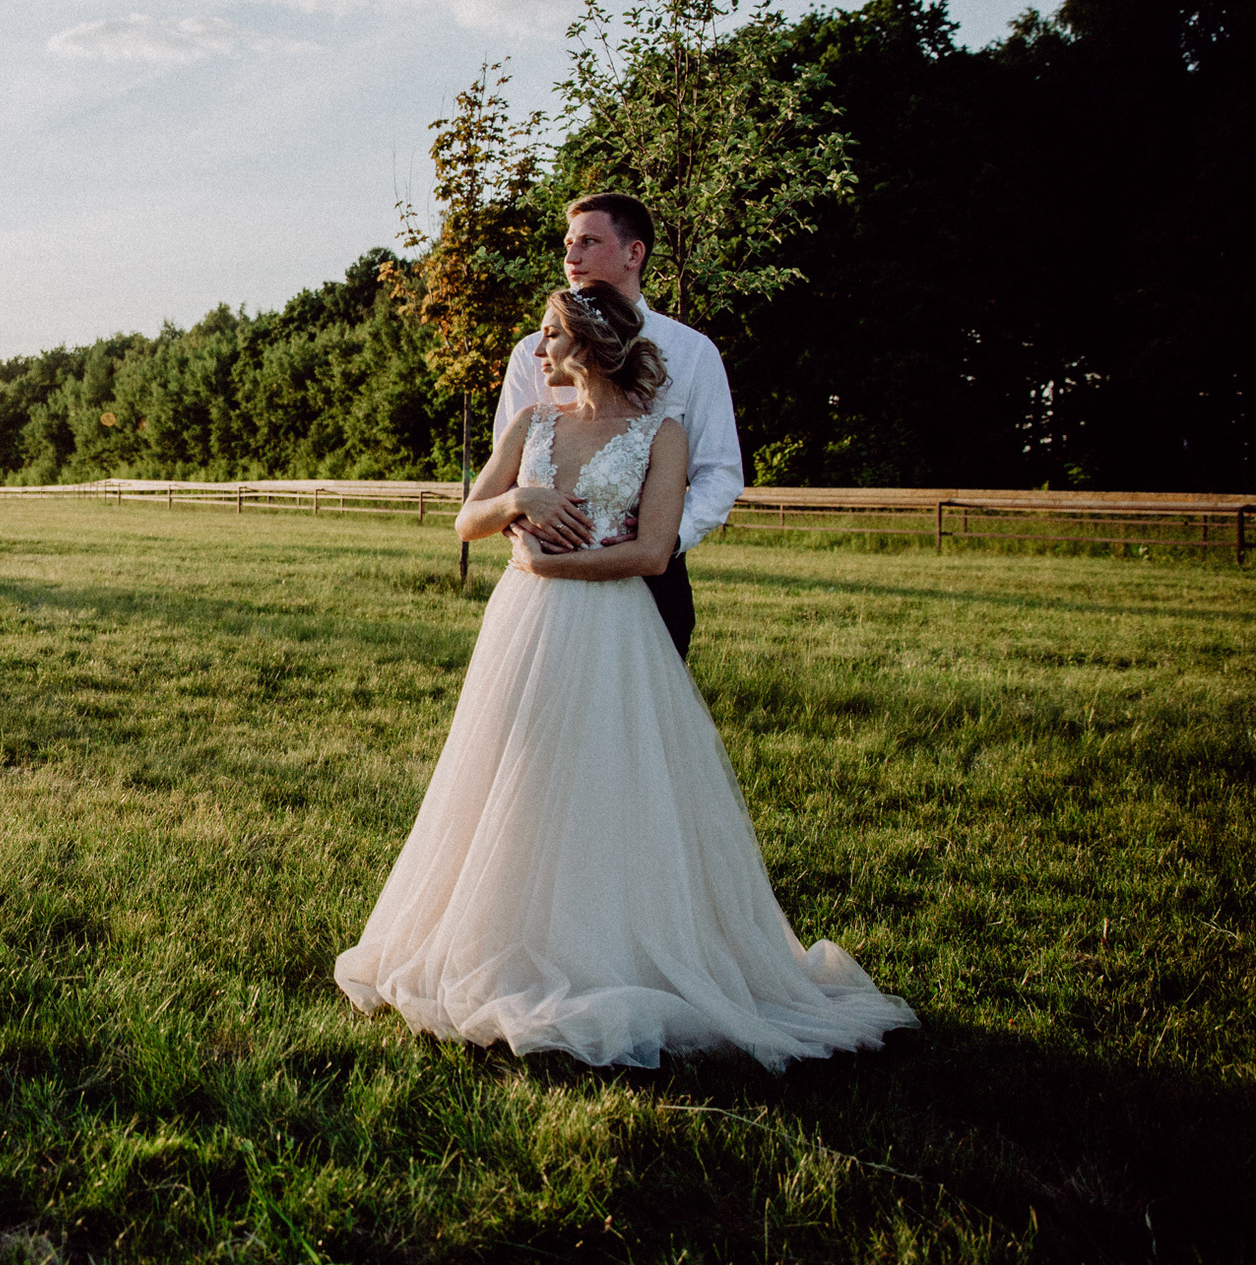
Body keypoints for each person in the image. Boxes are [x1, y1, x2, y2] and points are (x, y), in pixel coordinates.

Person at [333, 281, 915, 1068]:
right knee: (517, 777)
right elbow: (466, 519)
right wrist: (522, 501)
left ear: (588, 346)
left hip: (613, 626)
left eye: (548, 336)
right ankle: (508, 935)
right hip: (523, 628)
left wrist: (550, 564)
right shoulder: (534, 423)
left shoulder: (660, 434)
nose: (537, 351)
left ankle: (609, 949)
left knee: (609, 781)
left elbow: (651, 553)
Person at [495, 193, 738, 659]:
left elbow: (720, 470)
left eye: (588, 241)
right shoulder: (534, 351)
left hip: (652, 579)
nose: (571, 257)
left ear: (634, 253)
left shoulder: (691, 352)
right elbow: (506, 462)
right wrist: (524, 533)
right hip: (543, 580)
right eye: (568, 243)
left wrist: (667, 539)